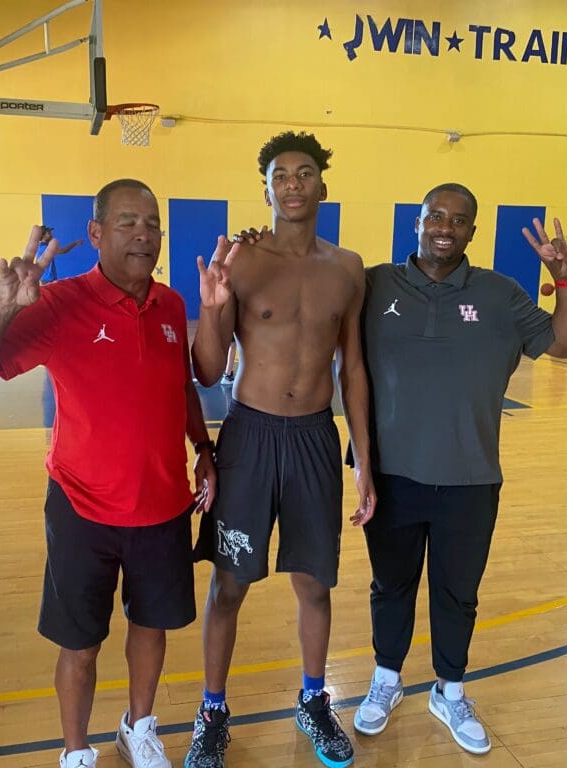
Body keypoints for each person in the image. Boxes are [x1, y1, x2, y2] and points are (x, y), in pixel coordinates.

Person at [0, 179, 217, 768]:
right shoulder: (59, 302)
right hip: (82, 508)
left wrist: (202, 446)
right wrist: (3, 303)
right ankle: (76, 751)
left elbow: (179, 386)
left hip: (164, 503)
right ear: (95, 233)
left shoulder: (172, 304)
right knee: (80, 644)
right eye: (126, 222)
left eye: (151, 223)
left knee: (152, 627)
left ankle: (137, 726)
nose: (142, 234)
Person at [350, 183, 567, 755]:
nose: (445, 226)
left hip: (471, 478)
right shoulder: (374, 284)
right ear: (417, 222)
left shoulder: (500, 294)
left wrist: (566, 279)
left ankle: (449, 689)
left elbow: (566, 343)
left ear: (473, 232)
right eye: (435, 216)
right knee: (391, 586)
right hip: (393, 476)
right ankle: (386, 680)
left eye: (459, 219)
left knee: (458, 593)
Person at [184, 132, 376, 768]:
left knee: (314, 584)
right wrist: (212, 309)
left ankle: (314, 699)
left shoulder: (347, 268)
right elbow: (209, 371)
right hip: (250, 435)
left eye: (303, 173)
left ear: (322, 184)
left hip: (316, 438)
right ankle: (213, 711)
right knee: (230, 584)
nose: (292, 184)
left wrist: (364, 461)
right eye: (279, 175)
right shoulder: (241, 262)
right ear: (265, 188)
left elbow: (354, 370)